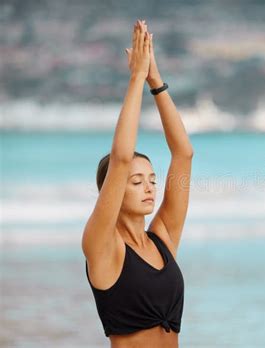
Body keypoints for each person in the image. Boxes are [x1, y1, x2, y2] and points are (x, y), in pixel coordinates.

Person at [82, 19, 193, 348]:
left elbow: (183, 154)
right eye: (136, 181)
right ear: (113, 191)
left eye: (152, 180)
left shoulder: (162, 239)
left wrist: (155, 81)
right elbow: (120, 158)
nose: (149, 188)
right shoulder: (102, 248)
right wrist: (135, 79)